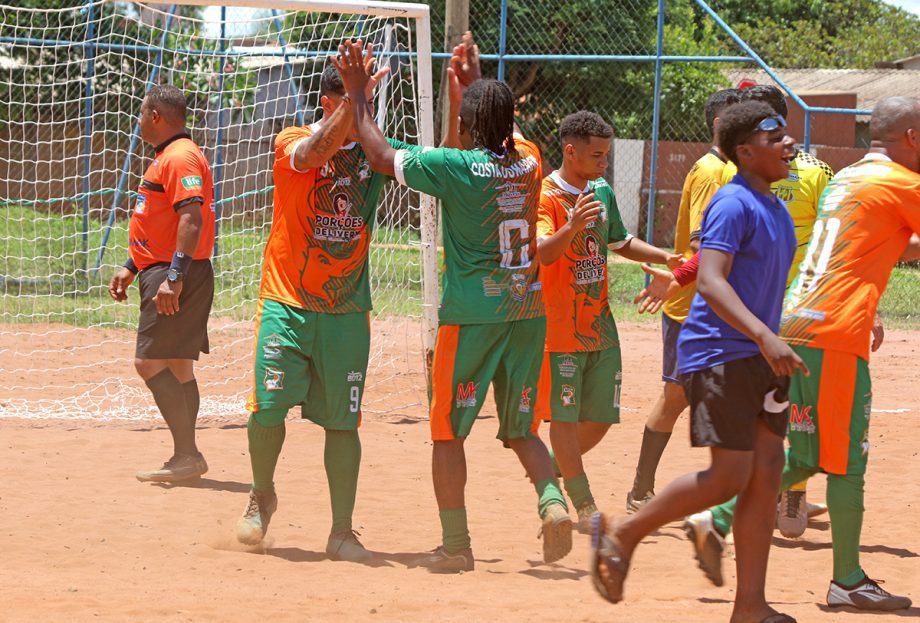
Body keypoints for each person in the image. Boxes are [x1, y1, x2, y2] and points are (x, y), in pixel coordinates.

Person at [334, 36, 573, 572]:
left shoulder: (457, 169)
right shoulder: (530, 162)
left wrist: (357, 95)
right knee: (522, 429)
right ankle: (552, 501)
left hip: (472, 317)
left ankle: (457, 546)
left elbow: (377, 152)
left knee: (447, 432)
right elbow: (484, 131)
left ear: (467, 126)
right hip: (527, 310)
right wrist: (473, 89)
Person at [682, 96, 920, 611]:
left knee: (809, 453)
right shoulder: (905, 184)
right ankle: (848, 581)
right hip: (837, 331)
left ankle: (716, 517)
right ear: (913, 138)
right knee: (848, 460)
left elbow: (879, 240)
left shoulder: (852, 178)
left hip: (798, 322)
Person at [591, 100, 805, 623]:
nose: (788, 143)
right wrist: (762, 335)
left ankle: (750, 608)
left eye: (786, 135)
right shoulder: (732, 203)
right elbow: (712, 278)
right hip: (721, 350)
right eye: (775, 137)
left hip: (758, 354)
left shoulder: (775, 207)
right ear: (745, 151)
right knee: (729, 475)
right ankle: (623, 532)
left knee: (768, 470)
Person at [234, 60, 398, 563]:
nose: (364, 107)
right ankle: (262, 494)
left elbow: (424, 163)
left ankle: (342, 532)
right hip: (287, 301)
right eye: (352, 98)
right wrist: (356, 94)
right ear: (330, 102)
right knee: (268, 407)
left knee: (344, 424)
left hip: (347, 310)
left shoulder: (375, 153)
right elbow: (311, 155)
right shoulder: (291, 138)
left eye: (367, 98)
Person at [533, 110, 680, 530]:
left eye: (606, 156)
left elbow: (620, 240)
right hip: (559, 326)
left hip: (599, 323)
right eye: (597, 156)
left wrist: (665, 256)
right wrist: (573, 225)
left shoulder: (599, 189)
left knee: (599, 420)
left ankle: (549, 471)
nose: (604, 164)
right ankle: (582, 504)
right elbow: (544, 252)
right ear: (570, 151)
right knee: (562, 417)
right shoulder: (545, 196)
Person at [624, 88, 740, 513]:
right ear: (721, 125)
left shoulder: (731, 170)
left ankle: (776, 490)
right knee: (677, 397)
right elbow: (704, 245)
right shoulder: (713, 173)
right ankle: (641, 491)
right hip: (693, 308)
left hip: (711, 305)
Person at [108, 85, 215, 483]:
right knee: (179, 367)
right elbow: (161, 224)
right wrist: (131, 266)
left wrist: (173, 277)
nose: (137, 122)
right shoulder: (168, 156)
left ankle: (187, 454)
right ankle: (185, 456)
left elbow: (191, 218)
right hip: (169, 270)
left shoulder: (181, 156)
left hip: (175, 275)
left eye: (140, 114)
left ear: (155, 116)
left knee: (148, 362)